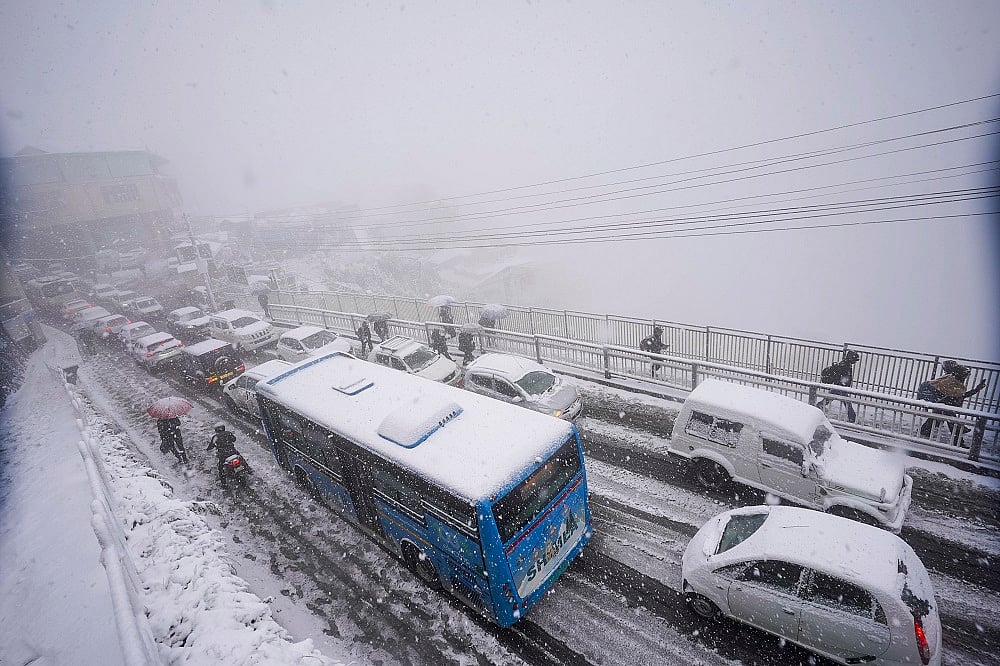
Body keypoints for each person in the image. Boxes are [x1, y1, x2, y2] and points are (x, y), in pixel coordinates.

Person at [918, 363, 987, 445]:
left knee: (938, 418)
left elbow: (960, 395)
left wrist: (976, 389)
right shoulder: (952, 383)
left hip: (942, 404)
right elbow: (960, 395)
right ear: (961, 375)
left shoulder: (952, 381)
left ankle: (925, 431)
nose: (966, 378)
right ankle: (958, 441)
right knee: (949, 420)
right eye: (965, 375)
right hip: (942, 404)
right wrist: (976, 389)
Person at [814, 350, 861, 423]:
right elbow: (844, 378)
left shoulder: (844, 364)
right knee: (847, 402)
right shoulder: (845, 365)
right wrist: (844, 385)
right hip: (840, 387)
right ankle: (852, 418)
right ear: (851, 358)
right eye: (854, 360)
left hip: (838, 386)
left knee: (830, 398)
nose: (855, 362)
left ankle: (818, 406)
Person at [207, 422, 240, 487]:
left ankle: (224, 484)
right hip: (232, 452)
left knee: (221, 469)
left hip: (223, 455)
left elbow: (211, 445)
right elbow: (234, 439)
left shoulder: (215, 437)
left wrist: (208, 449)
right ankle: (248, 469)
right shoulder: (228, 433)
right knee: (240, 458)